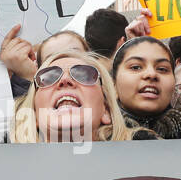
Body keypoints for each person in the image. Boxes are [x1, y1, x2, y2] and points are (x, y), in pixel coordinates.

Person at [10, 50, 143, 143]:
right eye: (49, 77)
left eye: (84, 75)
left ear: (106, 110)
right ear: (34, 114)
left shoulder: (144, 161)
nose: (65, 80)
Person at [110, 37, 181, 139]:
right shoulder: (96, 134)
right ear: (113, 82)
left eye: (162, 69)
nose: (151, 74)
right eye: (136, 67)